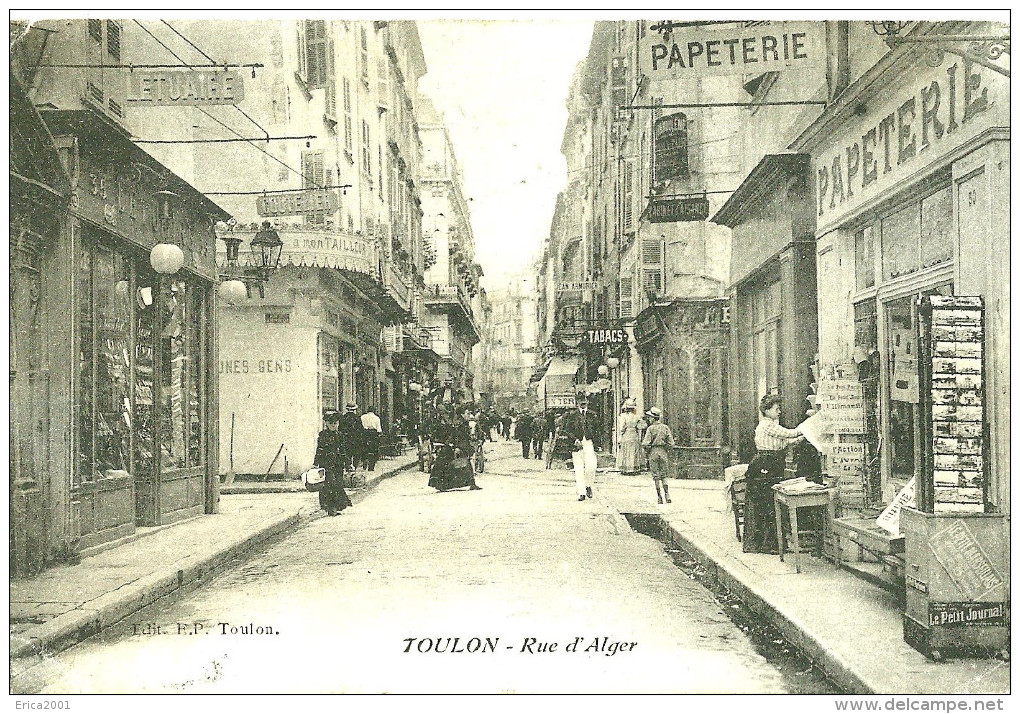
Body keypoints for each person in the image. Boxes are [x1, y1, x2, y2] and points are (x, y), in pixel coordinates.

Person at [743, 394, 805, 554]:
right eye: (776, 409)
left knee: (770, 503)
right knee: (768, 504)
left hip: (771, 464)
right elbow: (790, 434)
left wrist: (803, 437)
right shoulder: (767, 425)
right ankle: (767, 544)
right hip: (766, 465)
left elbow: (784, 442)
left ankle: (772, 544)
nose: (779, 412)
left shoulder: (770, 427)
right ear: (767, 410)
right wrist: (807, 428)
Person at [428, 405, 483, 492]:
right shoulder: (458, 423)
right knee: (449, 464)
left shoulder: (462, 422)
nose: (469, 415)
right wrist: (456, 446)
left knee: (465, 463)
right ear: (462, 414)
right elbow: (455, 435)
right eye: (467, 413)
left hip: (461, 445)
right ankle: (440, 484)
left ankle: (471, 483)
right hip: (456, 445)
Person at [557, 395, 599, 501]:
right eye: (580, 401)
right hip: (576, 444)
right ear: (577, 404)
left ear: (587, 402)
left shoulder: (593, 415)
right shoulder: (572, 416)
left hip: (589, 443)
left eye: (584, 401)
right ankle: (581, 492)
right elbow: (566, 430)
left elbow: (598, 430)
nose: (582, 403)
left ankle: (588, 485)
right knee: (579, 468)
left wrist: (597, 443)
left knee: (591, 467)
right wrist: (575, 440)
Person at [313, 411, 353, 516]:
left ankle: (336, 506)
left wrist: (348, 464)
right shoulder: (323, 435)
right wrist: (315, 463)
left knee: (338, 484)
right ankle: (330, 508)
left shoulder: (340, 435)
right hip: (326, 464)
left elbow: (343, 451)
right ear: (326, 423)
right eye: (331, 423)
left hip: (338, 464)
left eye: (335, 423)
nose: (333, 425)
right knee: (330, 485)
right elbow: (319, 450)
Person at [642, 407, 675, 504]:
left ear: (653, 418)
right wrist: (666, 448)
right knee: (664, 475)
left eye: (650, 417)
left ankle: (659, 497)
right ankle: (667, 494)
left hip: (653, 452)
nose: (649, 419)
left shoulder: (650, 429)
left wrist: (648, 450)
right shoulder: (665, 427)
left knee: (656, 476)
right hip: (663, 452)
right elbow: (671, 443)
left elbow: (645, 443)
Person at [616, 397, 645, 474]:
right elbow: (641, 426)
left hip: (627, 434)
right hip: (634, 434)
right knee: (634, 451)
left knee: (627, 451)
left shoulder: (623, 416)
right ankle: (634, 468)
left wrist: (621, 434)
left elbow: (622, 427)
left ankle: (627, 469)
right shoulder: (637, 416)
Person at [338, 403, 364, 471]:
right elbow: (361, 430)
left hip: (346, 439)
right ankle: (354, 468)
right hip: (356, 440)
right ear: (355, 409)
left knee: (347, 455)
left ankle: (348, 468)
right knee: (356, 455)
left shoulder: (343, 418)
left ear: (347, 409)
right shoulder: (357, 418)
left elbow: (340, 429)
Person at [360, 405, 383, 471]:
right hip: (373, 434)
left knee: (364, 448)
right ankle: (371, 466)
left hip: (365, 433)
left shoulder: (362, 417)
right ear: (374, 411)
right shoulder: (377, 418)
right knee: (374, 450)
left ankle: (364, 460)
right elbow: (379, 430)